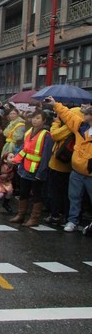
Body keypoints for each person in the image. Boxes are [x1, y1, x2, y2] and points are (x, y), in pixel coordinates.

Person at [45, 97, 92, 233]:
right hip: (77, 171)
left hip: (90, 173)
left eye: (86, 114)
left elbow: (69, 116)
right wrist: (55, 104)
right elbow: (68, 115)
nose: (83, 115)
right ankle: (72, 221)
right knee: (74, 198)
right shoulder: (81, 127)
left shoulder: (81, 127)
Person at [9, 110, 53, 227]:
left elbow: (46, 155)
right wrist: (16, 160)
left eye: (38, 118)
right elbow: (24, 148)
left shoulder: (46, 135)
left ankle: (34, 219)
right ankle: (20, 215)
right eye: (34, 118)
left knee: (37, 194)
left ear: (44, 121)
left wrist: (41, 172)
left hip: (37, 170)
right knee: (23, 192)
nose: (35, 120)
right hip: (25, 168)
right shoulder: (29, 131)